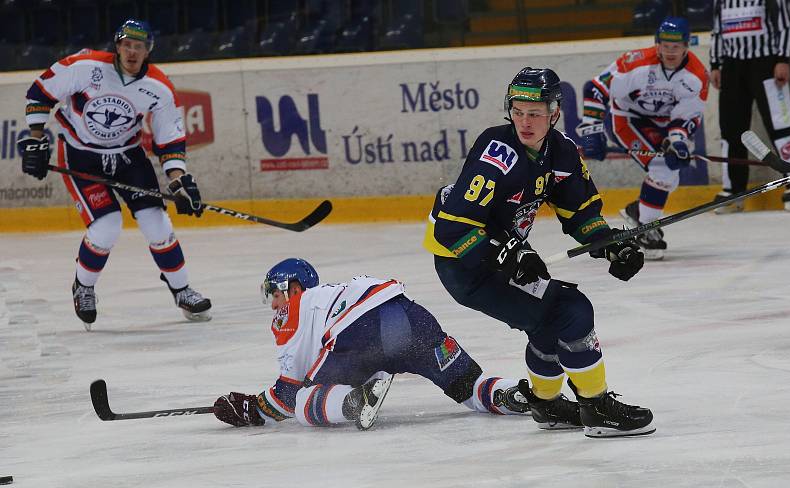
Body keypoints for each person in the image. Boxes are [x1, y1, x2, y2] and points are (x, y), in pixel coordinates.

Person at [422, 67, 654, 438]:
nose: (525, 121)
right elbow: (455, 229)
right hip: (464, 262)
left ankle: (546, 405)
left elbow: (580, 213)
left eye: (535, 112)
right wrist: (508, 256)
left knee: (548, 319)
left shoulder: (561, 151)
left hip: (504, 250)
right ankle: (595, 407)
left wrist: (611, 245)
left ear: (554, 112)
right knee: (571, 310)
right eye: (518, 111)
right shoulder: (496, 151)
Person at [17, 20, 211, 328]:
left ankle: (182, 289)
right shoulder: (84, 66)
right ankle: (84, 286)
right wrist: (37, 137)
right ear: (117, 45)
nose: (132, 52)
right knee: (106, 226)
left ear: (149, 51)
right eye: (127, 45)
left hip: (128, 156)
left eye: (139, 47)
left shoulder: (158, 87)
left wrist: (178, 180)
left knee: (157, 222)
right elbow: (40, 92)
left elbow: (168, 139)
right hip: (80, 155)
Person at [213, 258, 548, 431]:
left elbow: (286, 396)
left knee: (304, 398)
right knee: (467, 386)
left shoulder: (297, 308)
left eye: (275, 293)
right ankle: (517, 396)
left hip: (362, 333)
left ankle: (353, 402)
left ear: (295, 289)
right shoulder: (336, 295)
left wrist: (252, 410)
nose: (274, 304)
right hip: (410, 316)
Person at [577, 17, 709, 259]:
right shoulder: (634, 63)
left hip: (661, 125)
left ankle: (639, 214)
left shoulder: (697, 76)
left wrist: (677, 141)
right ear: (657, 44)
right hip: (627, 119)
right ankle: (644, 229)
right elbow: (595, 88)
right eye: (665, 45)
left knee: (670, 174)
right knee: (662, 169)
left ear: (686, 45)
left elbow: (685, 117)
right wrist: (591, 129)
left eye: (676, 46)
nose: (670, 51)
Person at [710, 0, 790, 213]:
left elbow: (785, 25)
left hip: (766, 63)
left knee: (781, 125)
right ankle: (734, 189)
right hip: (731, 66)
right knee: (731, 129)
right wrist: (715, 64)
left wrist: (782, 59)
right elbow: (717, 30)